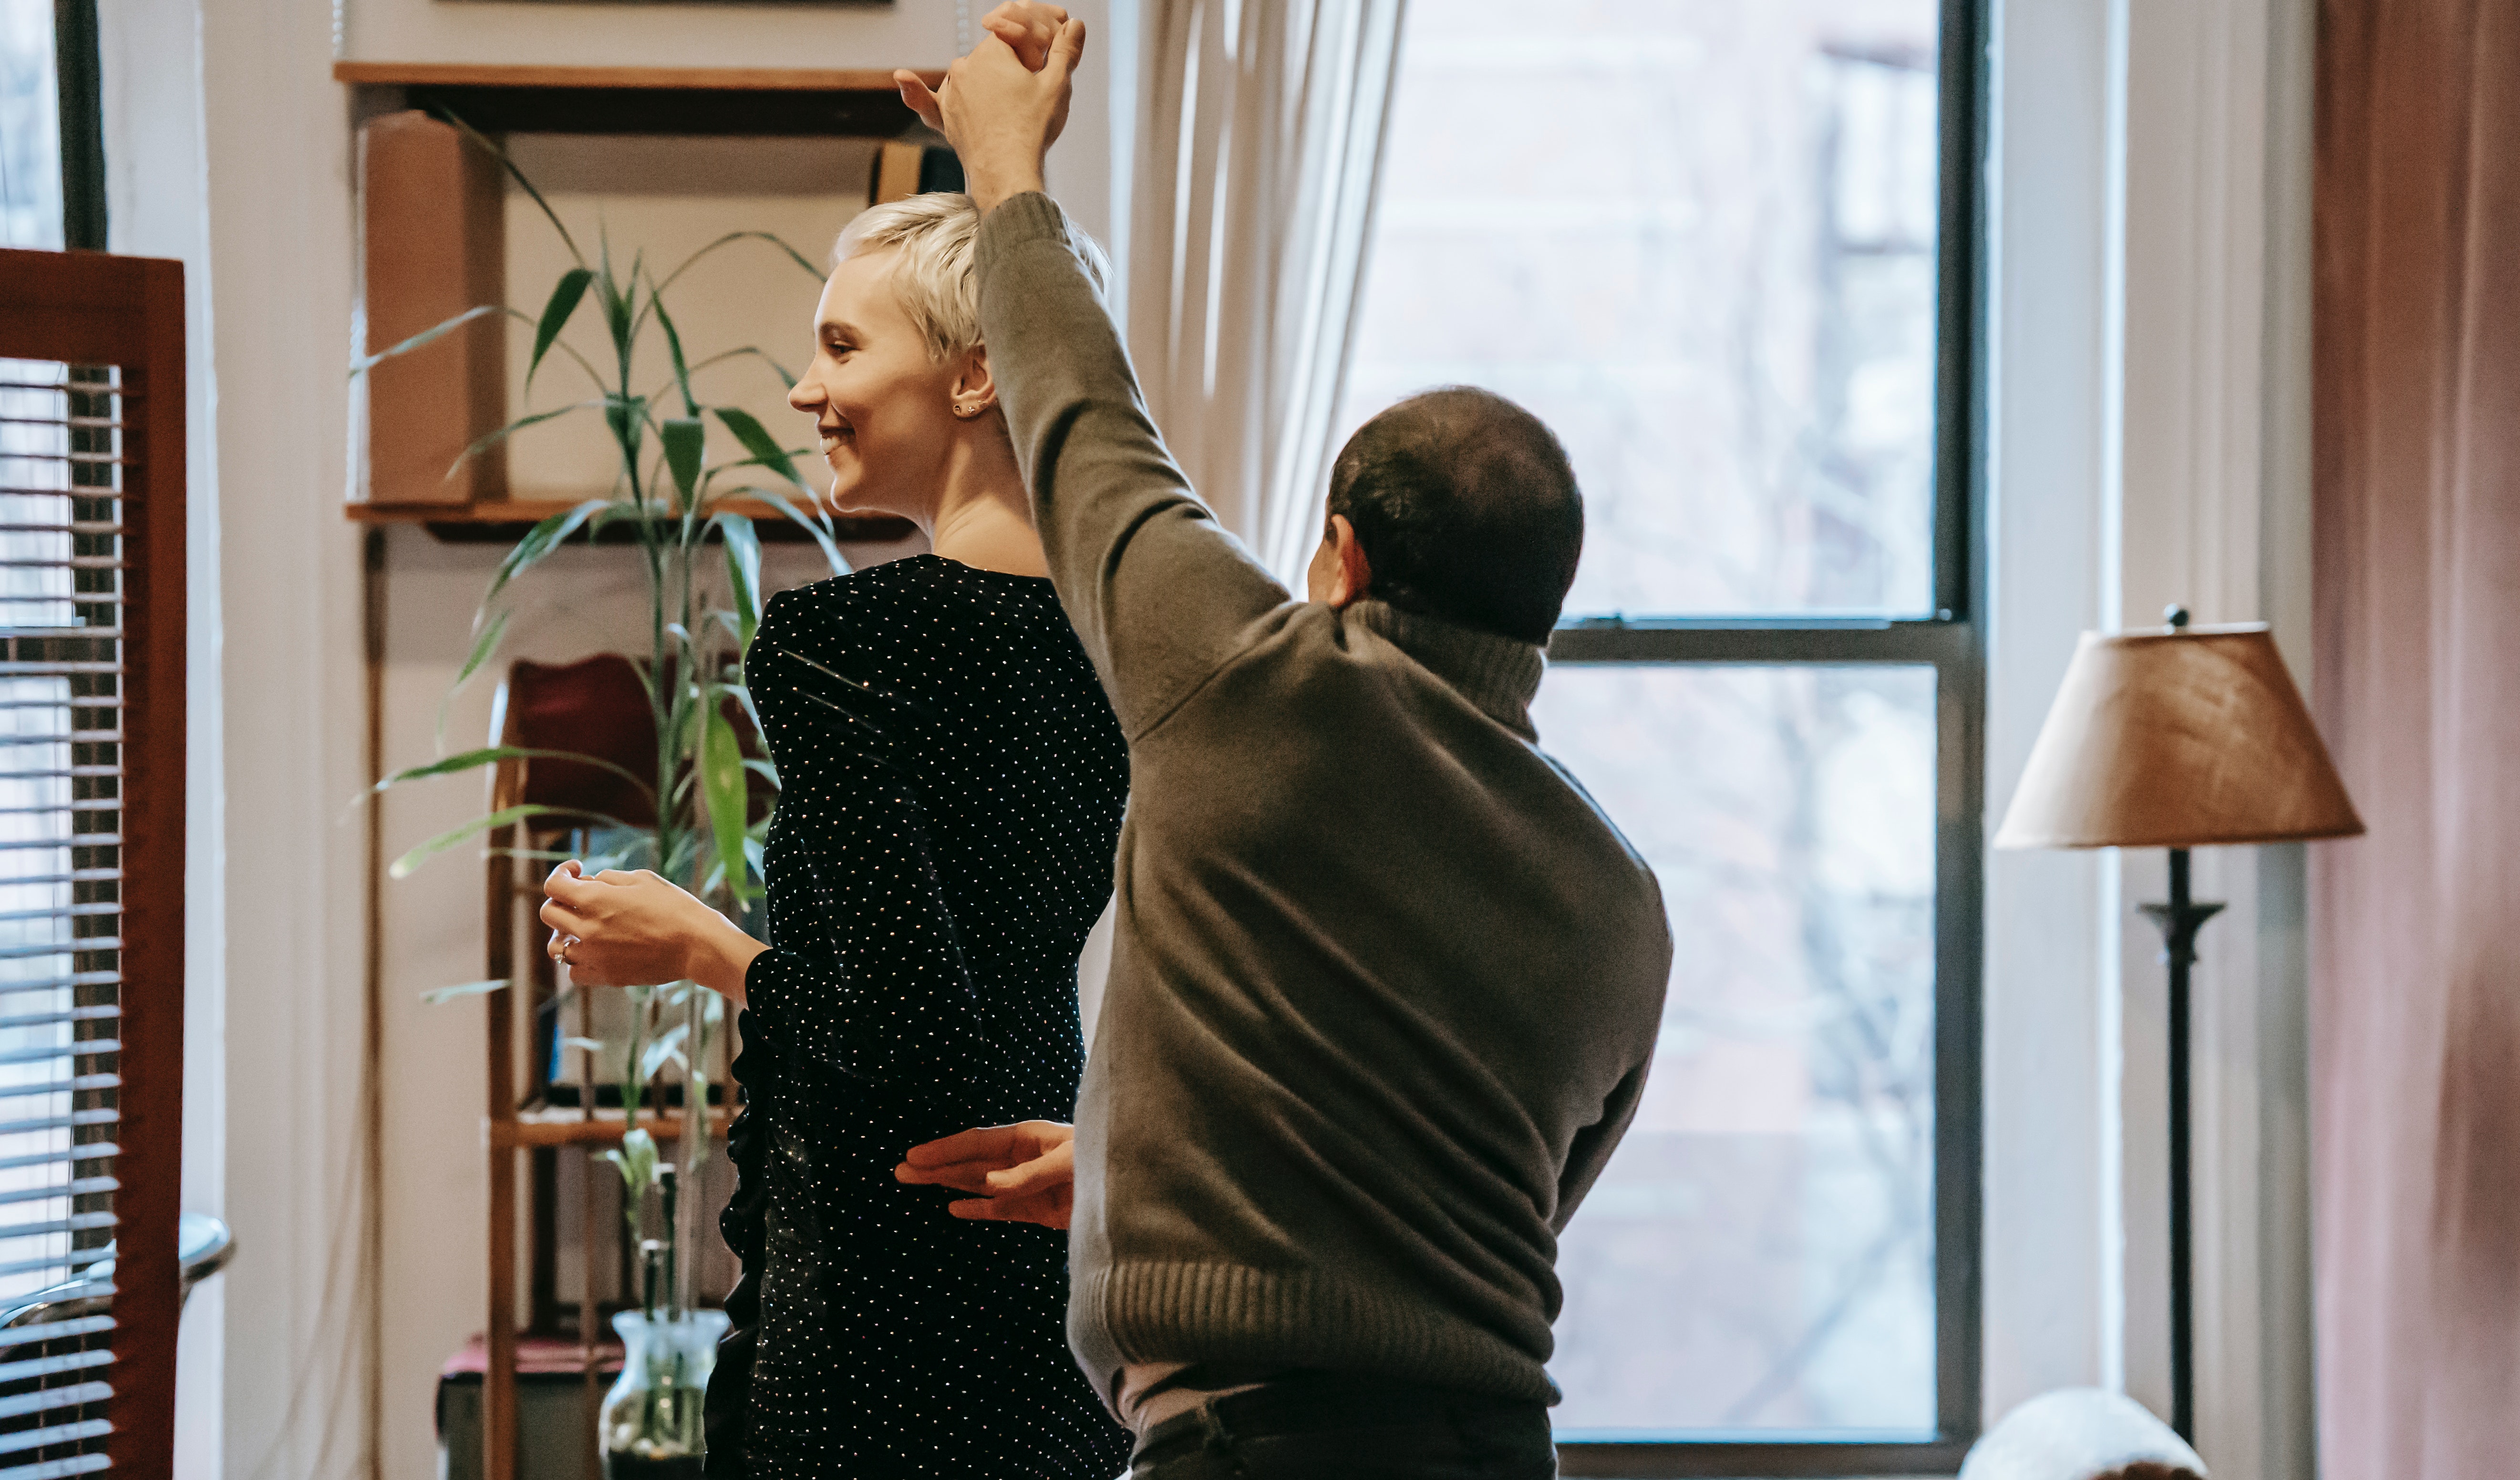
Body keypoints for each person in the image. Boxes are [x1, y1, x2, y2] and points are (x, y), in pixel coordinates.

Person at [889, 10, 1677, 1479]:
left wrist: (1000, 156)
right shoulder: (1622, 900)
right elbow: (1467, 1203)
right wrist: (1138, 1175)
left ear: (1338, 558)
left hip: (1251, 1450)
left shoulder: (1253, 682)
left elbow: (1076, 408)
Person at [537, 188, 1135, 1479]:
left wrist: (695, 941)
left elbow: (909, 1030)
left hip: (886, 1300)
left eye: (844, 347)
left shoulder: (839, 646)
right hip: (1049, 1257)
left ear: (977, 371)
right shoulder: (1127, 640)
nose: (808, 392)